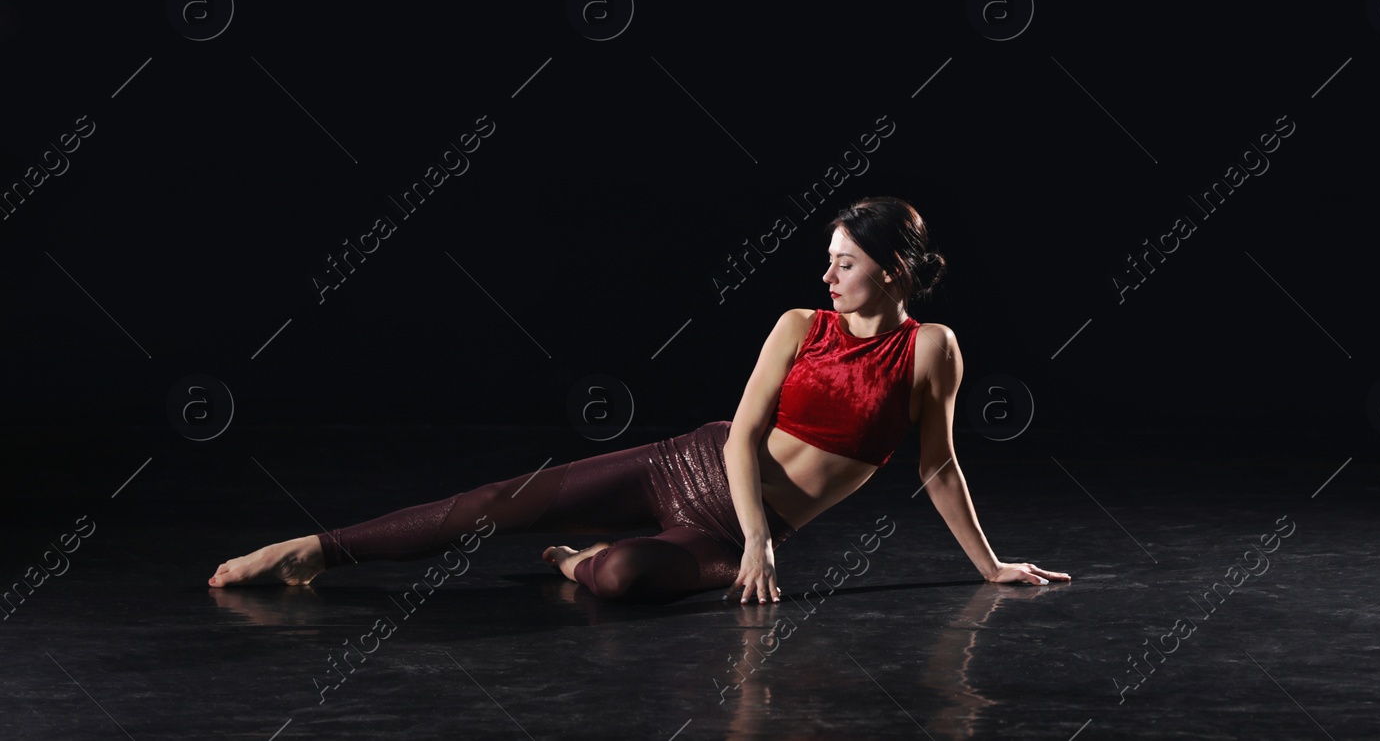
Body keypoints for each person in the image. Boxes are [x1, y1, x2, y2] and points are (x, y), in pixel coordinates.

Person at [208, 196, 1070, 603]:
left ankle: (579, 559)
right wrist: (768, 542)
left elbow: (939, 464)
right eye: (829, 258)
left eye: (844, 260)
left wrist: (990, 565)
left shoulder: (931, 349)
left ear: (890, 267)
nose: (828, 272)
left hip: (723, 528)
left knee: (617, 576)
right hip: (684, 464)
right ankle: (311, 549)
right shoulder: (798, 322)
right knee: (493, 504)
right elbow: (741, 441)